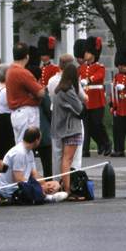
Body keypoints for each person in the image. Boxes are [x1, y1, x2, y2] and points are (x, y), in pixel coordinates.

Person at [0, 43, 44, 162]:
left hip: (17, 112)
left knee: (21, 145)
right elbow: (41, 93)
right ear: (27, 57)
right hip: (26, 111)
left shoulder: (10, 70)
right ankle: (24, 174)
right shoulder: (23, 72)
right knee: (28, 146)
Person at [0, 127, 62, 202]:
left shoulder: (30, 152)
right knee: (38, 188)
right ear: (36, 140)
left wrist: (46, 184)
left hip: (24, 185)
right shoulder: (19, 153)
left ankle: (44, 195)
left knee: (56, 184)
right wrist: (39, 186)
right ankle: (48, 198)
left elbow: (35, 174)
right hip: (10, 189)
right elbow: (18, 179)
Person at [51, 60, 86, 198]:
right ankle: (68, 189)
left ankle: (66, 187)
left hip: (63, 127)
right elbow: (80, 109)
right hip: (72, 127)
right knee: (68, 160)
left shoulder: (60, 89)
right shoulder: (69, 90)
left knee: (64, 159)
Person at [75, 38, 110, 158]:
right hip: (85, 100)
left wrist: (89, 80)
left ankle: (106, 142)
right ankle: (87, 149)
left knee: (97, 123)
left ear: (93, 54)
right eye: (85, 52)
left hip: (96, 99)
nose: (85, 54)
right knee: (86, 125)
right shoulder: (82, 69)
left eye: (88, 52)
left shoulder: (100, 67)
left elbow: (99, 76)